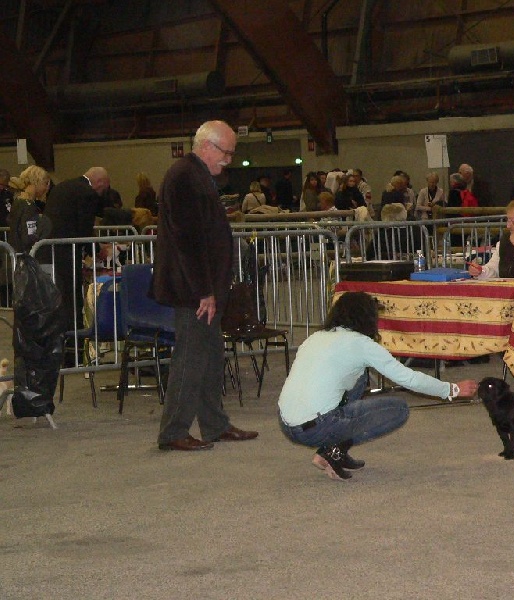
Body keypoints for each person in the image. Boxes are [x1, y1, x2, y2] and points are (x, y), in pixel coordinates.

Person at [278, 291, 478, 481]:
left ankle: (331, 451)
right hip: (318, 427)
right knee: (398, 409)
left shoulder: (316, 337)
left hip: (286, 423)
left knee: (358, 379)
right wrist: (452, 389)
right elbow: (408, 379)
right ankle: (333, 452)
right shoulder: (361, 344)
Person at [151, 120, 258, 451]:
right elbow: (188, 240)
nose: (228, 160)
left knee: (211, 356)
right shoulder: (185, 176)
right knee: (191, 358)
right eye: (226, 153)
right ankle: (173, 431)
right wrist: (204, 291)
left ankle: (214, 424)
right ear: (207, 146)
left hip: (203, 286)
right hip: (193, 290)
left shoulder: (197, 175)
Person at [45, 166, 110, 330]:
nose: (102, 193)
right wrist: (96, 250)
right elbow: (84, 229)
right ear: (99, 182)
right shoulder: (87, 193)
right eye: (103, 188)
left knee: (57, 295)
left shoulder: (61, 187)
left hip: (49, 249)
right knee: (71, 296)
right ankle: (75, 333)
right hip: (67, 251)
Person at [8, 165, 51, 254]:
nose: (47, 188)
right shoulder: (28, 206)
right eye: (45, 184)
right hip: (24, 255)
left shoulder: (18, 201)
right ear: (36, 181)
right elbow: (28, 237)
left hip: (16, 252)